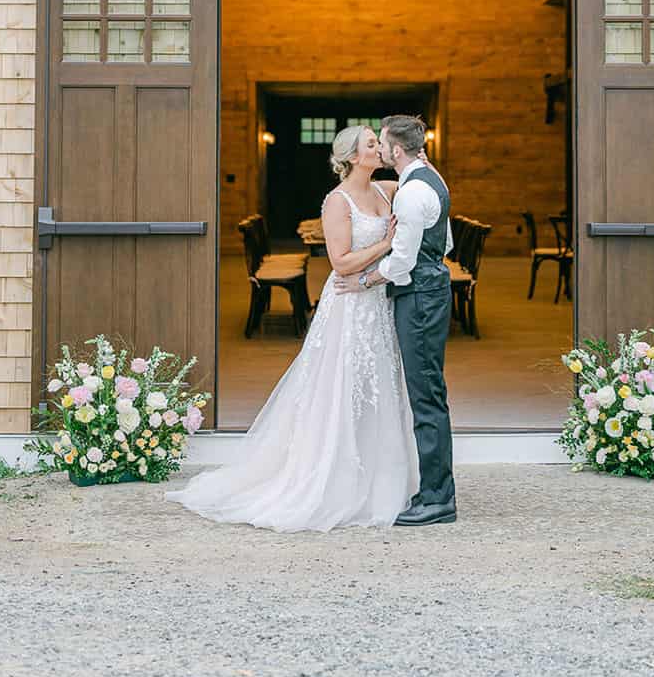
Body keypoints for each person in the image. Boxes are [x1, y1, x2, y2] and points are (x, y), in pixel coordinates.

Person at [166, 124, 418, 532]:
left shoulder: (386, 190)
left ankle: (380, 478)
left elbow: (420, 174)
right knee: (341, 387)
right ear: (353, 156)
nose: (380, 149)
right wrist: (386, 245)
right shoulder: (337, 202)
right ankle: (331, 477)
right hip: (349, 305)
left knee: (379, 387)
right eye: (372, 144)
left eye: (379, 142)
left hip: (377, 302)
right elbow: (341, 263)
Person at [335, 113, 457, 526]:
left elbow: (402, 260)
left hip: (419, 297)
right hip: (432, 290)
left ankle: (438, 499)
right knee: (429, 392)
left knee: (426, 397)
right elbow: (448, 240)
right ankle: (436, 491)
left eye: (382, 143)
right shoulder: (429, 182)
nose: (381, 149)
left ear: (396, 150)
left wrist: (366, 281)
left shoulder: (408, 194)